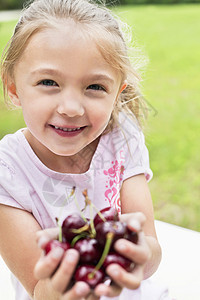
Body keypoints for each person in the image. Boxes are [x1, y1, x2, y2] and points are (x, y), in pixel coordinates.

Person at [0, 0, 169, 299]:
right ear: (13, 88)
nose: (71, 108)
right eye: (48, 82)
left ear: (118, 93)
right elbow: (40, 289)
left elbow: (150, 249)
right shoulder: (7, 171)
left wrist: (141, 255)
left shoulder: (121, 137)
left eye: (95, 87)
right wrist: (70, 286)